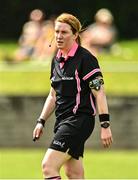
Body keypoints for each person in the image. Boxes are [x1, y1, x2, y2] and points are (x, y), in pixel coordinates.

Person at [33, 13, 113, 179]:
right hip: (63, 121)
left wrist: (105, 125)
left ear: (75, 34)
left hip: (79, 120)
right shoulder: (56, 60)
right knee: (74, 173)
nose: (58, 36)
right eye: (56, 32)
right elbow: (53, 95)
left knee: (48, 166)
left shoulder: (86, 59)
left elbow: (99, 93)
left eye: (64, 32)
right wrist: (41, 121)